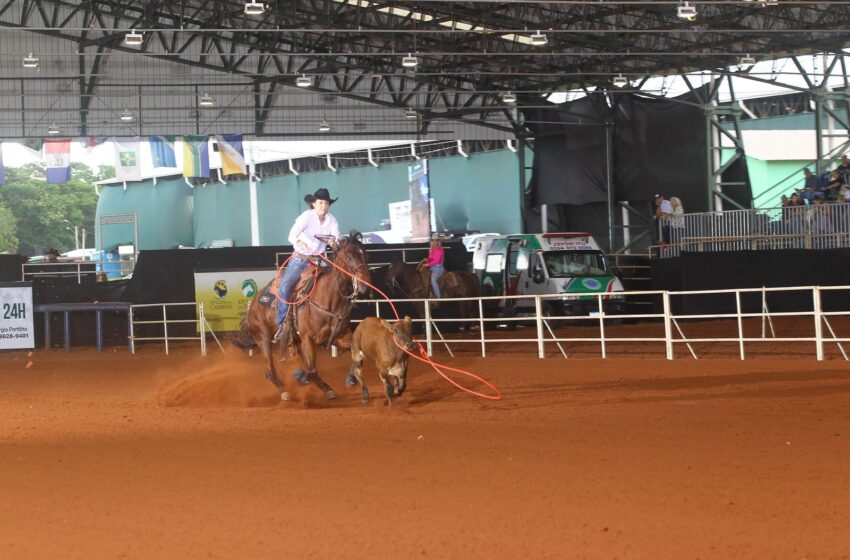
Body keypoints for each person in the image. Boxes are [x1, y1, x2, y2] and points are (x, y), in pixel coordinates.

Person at [273, 188, 340, 342]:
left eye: (326, 203)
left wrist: (334, 242)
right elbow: (291, 235)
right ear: (314, 204)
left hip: (320, 261)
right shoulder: (306, 217)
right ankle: (282, 324)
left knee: (334, 285)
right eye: (321, 203)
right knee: (284, 288)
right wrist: (298, 242)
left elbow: (336, 237)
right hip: (300, 260)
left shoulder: (332, 220)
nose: (324, 206)